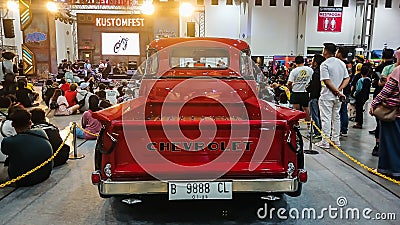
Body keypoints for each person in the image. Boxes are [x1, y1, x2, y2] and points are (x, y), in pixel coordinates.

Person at [0, 109, 53, 186]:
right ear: (30, 122)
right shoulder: (41, 132)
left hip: (23, 180)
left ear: (13, 125)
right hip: (45, 173)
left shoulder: (9, 141)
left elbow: (5, 151)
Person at [315, 43, 350, 149]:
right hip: (338, 97)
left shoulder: (325, 64)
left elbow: (326, 81)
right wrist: (339, 91)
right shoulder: (341, 63)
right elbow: (347, 78)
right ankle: (335, 140)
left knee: (326, 118)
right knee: (336, 117)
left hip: (327, 95)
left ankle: (325, 141)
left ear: (325, 51)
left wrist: (336, 91)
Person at [369, 65, 400, 180]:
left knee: (389, 143)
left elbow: (386, 91)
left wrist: (374, 103)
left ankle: (388, 169)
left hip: (392, 113)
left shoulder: (397, 71)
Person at [287, 56, 313, 122]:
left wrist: (289, 88)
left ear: (295, 63)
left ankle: (296, 124)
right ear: (303, 62)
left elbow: (289, 82)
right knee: (306, 109)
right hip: (305, 92)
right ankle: (309, 125)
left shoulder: (294, 71)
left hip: (295, 92)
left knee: (296, 110)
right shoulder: (310, 70)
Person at [307, 54, 325, 138]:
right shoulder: (322, 71)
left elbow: (315, 86)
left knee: (314, 115)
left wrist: (309, 89)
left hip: (314, 96)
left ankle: (317, 132)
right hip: (320, 96)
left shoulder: (316, 73)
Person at [335, 47, 352, 136]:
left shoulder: (339, 64)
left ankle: (340, 129)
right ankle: (344, 129)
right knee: (344, 110)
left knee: (339, 110)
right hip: (347, 89)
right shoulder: (349, 64)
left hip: (340, 89)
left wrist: (338, 89)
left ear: (340, 54)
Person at [352, 64, 372, 129]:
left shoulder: (360, 80)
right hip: (365, 97)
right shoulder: (369, 79)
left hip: (359, 97)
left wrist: (355, 94)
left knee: (358, 110)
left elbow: (359, 89)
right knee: (361, 109)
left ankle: (358, 123)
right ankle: (359, 123)